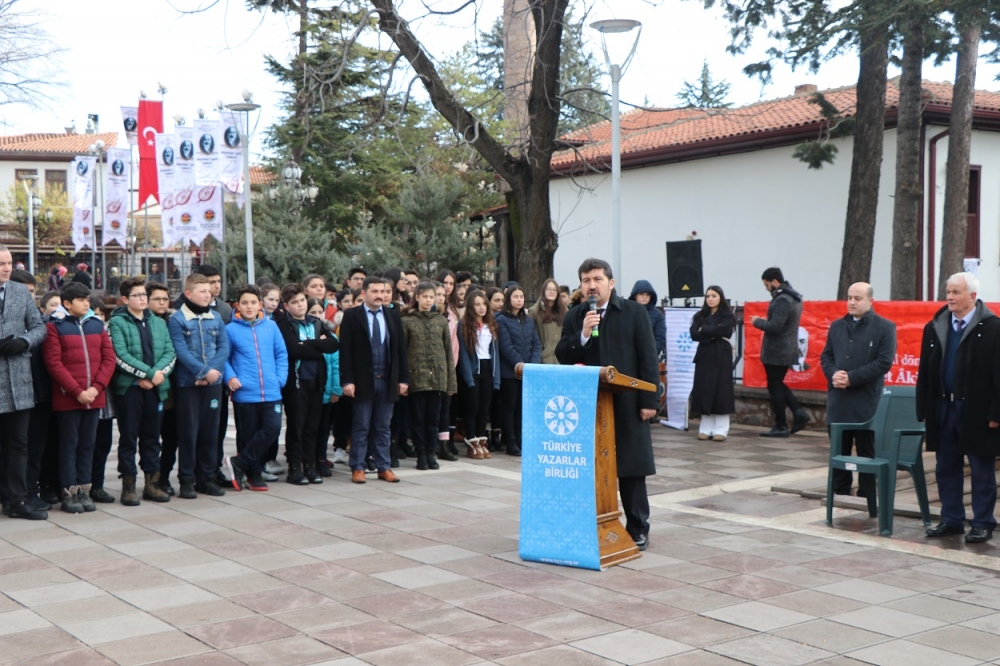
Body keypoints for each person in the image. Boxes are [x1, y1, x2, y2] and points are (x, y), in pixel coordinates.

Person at [556, 258, 659, 551]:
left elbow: (648, 358)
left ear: (610, 283)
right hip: (590, 404)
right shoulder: (575, 316)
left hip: (627, 402)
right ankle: (596, 522)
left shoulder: (634, 312)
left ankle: (638, 526)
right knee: (592, 467)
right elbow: (562, 353)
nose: (592, 285)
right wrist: (584, 334)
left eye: (597, 279)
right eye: (586, 280)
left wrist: (649, 400)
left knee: (630, 467)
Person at [917, 272, 1000, 543]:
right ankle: (951, 519)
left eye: (956, 292)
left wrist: (995, 413)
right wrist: (924, 409)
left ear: (972, 297)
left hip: (976, 411)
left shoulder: (992, 328)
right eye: (948, 291)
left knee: (980, 469)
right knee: (946, 467)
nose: (950, 297)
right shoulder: (935, 326)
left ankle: (983, 523)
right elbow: (925, 372)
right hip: (943, 408)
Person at [43, 282, 116, 514]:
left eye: (88, 299)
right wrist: (77, 391)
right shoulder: (55, 327)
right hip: (68, 398)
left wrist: (96, 388)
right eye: (82, 300)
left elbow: (108, 359)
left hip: (94, 397)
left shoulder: (96, 324)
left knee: (88, 445)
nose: (87, 303)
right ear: (67, 303)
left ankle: (85, 490)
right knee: (68, 446)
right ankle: (69, 493)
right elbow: (54, 363)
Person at [820, 282, 896, 497]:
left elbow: (883, 362)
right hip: (839, 400)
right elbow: (826, 356)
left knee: (866, 453)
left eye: (858, 298)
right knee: (839, 451)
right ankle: (840, 492)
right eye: (849, 297)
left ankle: (868, 494)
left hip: (866, 402)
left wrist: (851, 378)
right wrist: (833, 374)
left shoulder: (884, 327)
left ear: (870, 301)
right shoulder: (837, 326)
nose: (852, 302)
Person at [109, 277, 176, 505]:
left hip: (155, 388)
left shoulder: (158, 322)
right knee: (128, 438)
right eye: (137, 295)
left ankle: (152, 484)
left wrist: (157, 376)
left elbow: (170, 352)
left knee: (151, 438)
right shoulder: (117, 322)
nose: (142, 299)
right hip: (130, 389)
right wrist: (147, 374)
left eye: (144, 295)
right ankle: (128, 486)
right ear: (125, 299)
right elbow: (120, 355)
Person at [339, 276, 409, 483]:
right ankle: (358, 467)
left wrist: (403, 379)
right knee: (361, 425)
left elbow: (400, 350)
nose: (380, 295)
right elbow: (346, 351)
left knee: (383, 426)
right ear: (364, 293)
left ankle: (383, 466)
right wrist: (347, 380)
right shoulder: (352, 316)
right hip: (362, 381)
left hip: (387, 380)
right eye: (375, 291)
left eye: (384, 291)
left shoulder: (393, 315)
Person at [168, 273, 230, 499]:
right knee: (188, 433)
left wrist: (211, 374)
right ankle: (186, 480)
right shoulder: (177, 319)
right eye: (202, 291)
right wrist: (202, 372)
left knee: (210, 433)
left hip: (213, 383)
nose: (208, 294)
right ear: (188, 293)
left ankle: (207, 478)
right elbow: (181, 351)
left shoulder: (215, 318)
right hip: (188, 384)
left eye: (209, 291)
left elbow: (223, 347)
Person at [223, 285, 288, 491]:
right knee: (248, 435)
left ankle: (239, 463)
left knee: (272, 428)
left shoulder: (271, 326)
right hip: (245, 393)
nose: (249, 306)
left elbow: (281, 354)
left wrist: (279, 379)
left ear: (260, 304)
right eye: (244, 303)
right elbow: (224, 358)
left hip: (271, 390)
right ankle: (253, 473)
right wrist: (230, 377)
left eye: (253, 302)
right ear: (237, 306)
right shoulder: (230, 330)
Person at [0, 246, 49, 520]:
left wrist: (24, 341)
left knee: (18, 443)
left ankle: (17, 500)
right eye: (1, 263)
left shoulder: (20, 292)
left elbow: (39, 326)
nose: (7, 268)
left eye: (9, 263)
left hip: (18, 381)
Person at [277, 284, 339, 485]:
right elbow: (294, 350)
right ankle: (295, 467)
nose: (300, 305)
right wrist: (316, 345)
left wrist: (309, 344)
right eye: (294, 302)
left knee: (312, 426)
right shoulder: (284, 324)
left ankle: (310, 465)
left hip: (316, 381)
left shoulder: (316, 323)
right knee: (297, 425)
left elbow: (332, 344)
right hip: (295, 382)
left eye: (302, 300)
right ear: (287, 306)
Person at [402, 281, 456, 470]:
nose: (428, 300)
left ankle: (431, 452)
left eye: (431, 297)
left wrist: (451, 383)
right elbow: (403, 351)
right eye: (424, 296)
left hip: (437, 377)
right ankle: (421, 453)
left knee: (434, 418)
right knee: (418, 418)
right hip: (417, 377)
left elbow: (448, 352)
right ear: (417, 298)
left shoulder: (441, 320)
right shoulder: (408, 321)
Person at [751, 267, 808, 437]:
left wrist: (758, 322)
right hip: (784, 349)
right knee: (777, 383)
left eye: (767, 284)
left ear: (775, 282)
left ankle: (781, 425)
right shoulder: (793, 296)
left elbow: (775, 326)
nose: (766, 288)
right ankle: (798, 413)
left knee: (774, 385)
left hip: (778, 350)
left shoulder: (783, 299)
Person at [496, 284, 541, 457]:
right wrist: (520, 365)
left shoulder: (527, 319)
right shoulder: (501, 319)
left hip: (528, 371)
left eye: (521, 297)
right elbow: (506, 347)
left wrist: (532, 364)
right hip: (510, 372)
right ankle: (510, 441)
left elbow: (536, 343)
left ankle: (522, 440)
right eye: (516, 297)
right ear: (509, 299)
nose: (519, 300)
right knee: (509, 407)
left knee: (523, 407)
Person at [690, 286, 736, 441]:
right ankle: (705, 428)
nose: (710, 299)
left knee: (721, 391)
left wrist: (705, 330)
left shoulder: (727, 315)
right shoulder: (700, 315)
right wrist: (711, 331)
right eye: (708, 296)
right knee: (704, 389)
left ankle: (721, 429)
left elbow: (723, 331)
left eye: (713, 296)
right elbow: (694, 334)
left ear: (720, 297)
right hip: (705, 354)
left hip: (721, 354)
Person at [457, 289, 499, 460]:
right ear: (470, 306)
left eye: (483, 304)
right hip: (473, 370)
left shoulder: (492, 324)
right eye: (477, 304)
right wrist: (468, 377)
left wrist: (496, 379)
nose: (481, 308)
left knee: (484, 408)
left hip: (488, 368)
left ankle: (482, 440)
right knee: (472, 407)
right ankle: (472, 442)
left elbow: (494, 352)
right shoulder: (464, 324)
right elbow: (464, 354)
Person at [528, 278, 565, 365]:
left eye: (554, 289)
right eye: (548, 289)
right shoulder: (534, 311)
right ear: (543, 291)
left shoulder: (564, 311)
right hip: (542, 360)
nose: (551, 291)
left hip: (561, 361)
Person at [629, 280, 667, 360]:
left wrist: (650, 356)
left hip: (649, 358)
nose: (645, 297)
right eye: (641, 294)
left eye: (648, 294)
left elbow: (660, 338)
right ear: (635, 295)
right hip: (628, 357)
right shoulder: (626, 311)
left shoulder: (658, 315)